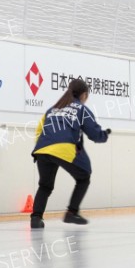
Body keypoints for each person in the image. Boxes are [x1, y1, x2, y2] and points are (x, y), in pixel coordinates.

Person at [30, 79, 110, 229]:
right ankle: (72, 212)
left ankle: (36, 218)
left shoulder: (52, 109)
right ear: (84, 95)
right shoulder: (81, 109)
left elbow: (38, 130)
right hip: (64, 148)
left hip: (42, 148)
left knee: (45, 186)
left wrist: (42, 147)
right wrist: (105, 135)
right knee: (84, 176)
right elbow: (94, 133)